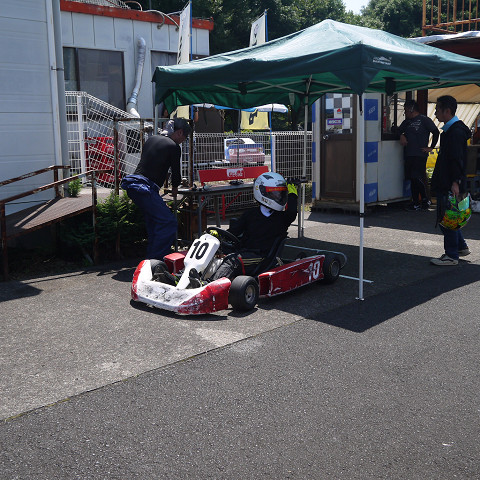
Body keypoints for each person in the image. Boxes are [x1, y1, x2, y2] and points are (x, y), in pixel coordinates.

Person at [120, 118, 191, 260]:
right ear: (179, 132)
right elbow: (176, 173)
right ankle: (157, 261)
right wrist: (175, 188)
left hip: (133, 184)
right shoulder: (174, 146)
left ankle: (151, 259)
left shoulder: (151, 139)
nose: (184, 140)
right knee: (168, 222)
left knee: (154, 222)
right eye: (185, 137)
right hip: (145, 188)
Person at [208, 172, 298, 281]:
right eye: (276, 193)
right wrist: (218, 236)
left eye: (281, 193)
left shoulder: (282, 218)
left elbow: (292, 212)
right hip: (245, 251)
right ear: (263, 192)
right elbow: (233, 232)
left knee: (233, 261)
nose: (279, 196)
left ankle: (211, 284)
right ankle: (192, 277)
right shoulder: (250, 214)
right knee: (214, 250)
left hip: (261, 257)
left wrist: (292, 195)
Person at [430, 95, 471, 266]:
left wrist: (455, 182)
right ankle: (461, 247)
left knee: (447, 218)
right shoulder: (452, 130)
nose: (435, 113)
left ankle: (452, 255)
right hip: (449, 180)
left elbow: (457, 159)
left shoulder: (455, 132)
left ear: (447, 111)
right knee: (451, 216)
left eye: (437, 110)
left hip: (450, 182)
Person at [397, 99, 439, 211]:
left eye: (406, 110)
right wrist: (401, 135)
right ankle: (416, 202)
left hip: (420, 154)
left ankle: (425, 199)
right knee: (412, 178)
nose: (405, 113)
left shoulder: (424, 120)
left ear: (411, 109)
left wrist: (431, 147)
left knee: (417, 177)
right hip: (409, 153)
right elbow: (397, 130)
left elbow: (436, 132)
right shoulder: (407, 122)